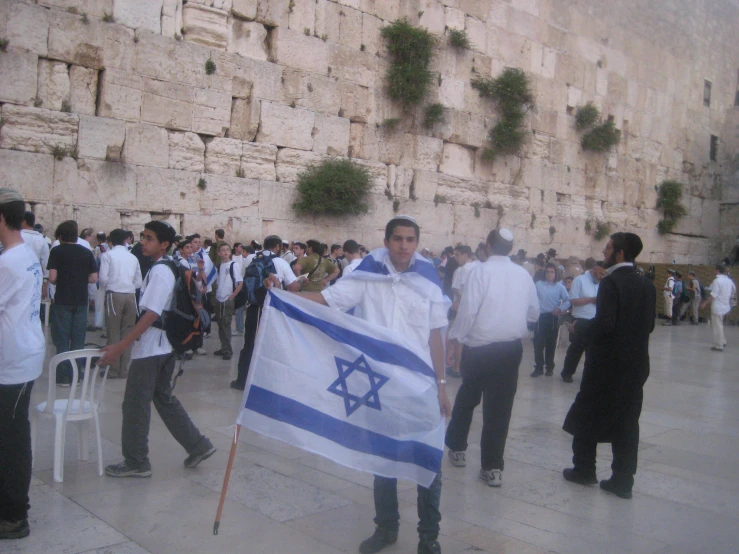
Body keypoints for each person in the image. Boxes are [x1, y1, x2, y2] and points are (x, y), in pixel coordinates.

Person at [296, 215, 451, 554]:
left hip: (419, 386)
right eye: (398, 239)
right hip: (379, 386)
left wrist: (441, 385)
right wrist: (283, 297)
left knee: (429, 462)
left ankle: (429, 537)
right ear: (387, 241)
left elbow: (436, 337)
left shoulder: (427, 281)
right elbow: (327, 301)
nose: (404, 246)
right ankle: (386, 528)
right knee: (384, 460)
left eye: (410, 239)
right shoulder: (366, 277)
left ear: (417, 243)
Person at [98, 221, 216, 478]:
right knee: (163, 399)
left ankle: (136, 461)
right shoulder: (168, 266)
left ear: (164, 244)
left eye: (149, 238)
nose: (143, 242)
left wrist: (121, 345)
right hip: (163, 347)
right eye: (143, 237)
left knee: (134, 405)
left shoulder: (162, 270)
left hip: (152, 349)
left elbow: (151, 314)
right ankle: (198, 445)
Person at [562, 232, 656, 499]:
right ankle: (623, 480)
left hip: (606, 364)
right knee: (627, 422)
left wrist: (581, 326)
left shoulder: (611, 283)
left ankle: (584, 469)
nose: (603, 252)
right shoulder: (647, 284)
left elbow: (605, 324)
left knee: (587, 413)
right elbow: (649, 325)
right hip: (635, 365)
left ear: (620, 254)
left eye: (608, 248)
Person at [445, 229, 539, 487]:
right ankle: (493, 467)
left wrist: (455, 339)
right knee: (500, 409)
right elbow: (534, 312)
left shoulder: (480, 272)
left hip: (479, 349)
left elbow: (467, 312)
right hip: (510, 350)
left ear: (487, 245)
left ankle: (457, 447)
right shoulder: (523, 275)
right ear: (510, 248)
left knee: (467, 397)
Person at [0, 189, 45, 540]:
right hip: (25, 353)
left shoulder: (8, 262)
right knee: (12, 434)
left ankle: (15, 516)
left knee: (12, 439)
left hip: (12, 362)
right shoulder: (27, 253)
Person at [231, 235, 300, 390]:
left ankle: (241, 381)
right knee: (273, 345)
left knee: (249, 344)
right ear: (277, 246)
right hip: (271, 310)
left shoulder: (252, 259)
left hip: (254, 307)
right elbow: (293, 287)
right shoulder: (281, 262)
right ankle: (269, 383)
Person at [47, 220, 98, 386]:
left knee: (62, 339)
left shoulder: (56, 251)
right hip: (81, 300)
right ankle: (77, 375)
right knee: (78, 339)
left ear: (60, 235)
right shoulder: (86, 252)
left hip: (63, 299)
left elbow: (53, 278)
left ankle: (63, 377)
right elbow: (93, 278)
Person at [99, 229, 142, 379]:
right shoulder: (132, 257)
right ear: (125, 240)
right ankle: (124, 369)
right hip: (130, 296)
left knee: (113, 332)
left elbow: (103, 279)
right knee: (127, 333)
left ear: (111, 241)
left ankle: (113, 369)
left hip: (114, 295)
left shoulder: (107, 256)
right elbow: (138, 282)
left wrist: (114, 285)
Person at [560, 259, 603, 383]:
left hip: (596, 320)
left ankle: (589, 376)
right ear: (594, 270)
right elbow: (573, 301)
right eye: (600, 274)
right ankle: (567, 373)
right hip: (581, 321)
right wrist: (590, 300)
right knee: (576, 350)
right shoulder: (579, 280)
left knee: (593, 352)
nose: (601, 277)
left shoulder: (602, 282)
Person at [531, 263, 570, 377]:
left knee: (551, 343)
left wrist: (560, 308)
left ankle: (549, 367)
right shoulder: (538, 285)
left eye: (552, 272)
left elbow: (568, 300)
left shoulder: (560, 287)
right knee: (538, 343)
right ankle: (538, 367)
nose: (549, 274)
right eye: (547, 272)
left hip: (552, 317)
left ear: (555, 273)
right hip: (540, 317)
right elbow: (531, 297)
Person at [214, 243, 243, 361]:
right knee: (220, 324)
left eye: (227, 249)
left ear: (230, 252)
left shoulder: (233, 265)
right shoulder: (220, 266)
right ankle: (223, 346)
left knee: (226, 324)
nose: (225, 252)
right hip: (219, 298)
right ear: (219, 253)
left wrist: (232, 296)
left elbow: (240, 282)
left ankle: (228, 349)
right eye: (223, 250)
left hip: (227, 299)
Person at [701, 264, 735, 351]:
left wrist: (705, 303)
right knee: (720, 325)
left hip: (717, 306)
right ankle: (723, 341)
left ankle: (719, 345)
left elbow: (714, 295)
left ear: (717, 271)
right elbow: (733, 292)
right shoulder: (729, 281)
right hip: (726, 306)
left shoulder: (717, 281)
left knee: (717, 326)